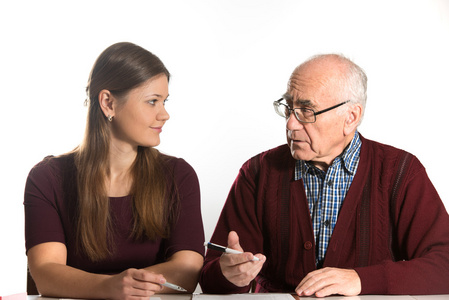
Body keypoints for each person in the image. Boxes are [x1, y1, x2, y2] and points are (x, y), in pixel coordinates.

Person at [199, 54, 449, 296]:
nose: (290, 124)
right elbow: (211, 275)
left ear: (351, 117)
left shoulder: (400, 172)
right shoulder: (256, 173)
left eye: (307, 111)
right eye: (288, 108)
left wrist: (361, 280)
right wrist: (228, 275)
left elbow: (444, 265)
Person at [24, 42, 205, 299]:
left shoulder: (179, 176)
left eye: (164, 101)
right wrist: (110, 287)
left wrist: (121, 286)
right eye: (152, 101)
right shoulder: (47, 178)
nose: (164, 114)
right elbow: (46, 273)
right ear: (108, 103)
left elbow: (187, 270)